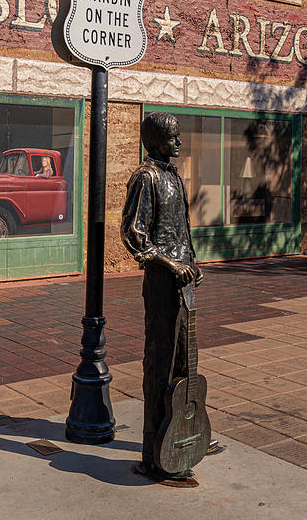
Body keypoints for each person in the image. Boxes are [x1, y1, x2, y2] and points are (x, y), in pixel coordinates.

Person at [121, 112, 205, 484]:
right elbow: (134, 233)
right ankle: (154, 454)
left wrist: (192, 263)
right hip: (162, 282)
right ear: (153, 141)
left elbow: (180, 230)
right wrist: (170, 264)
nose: (179, 143)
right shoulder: (146, 177)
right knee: (160, 364)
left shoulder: (173, 176)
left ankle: (178, 441)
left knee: (185, 363)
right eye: (172, 138)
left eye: (178, 137)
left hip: (183, 279)